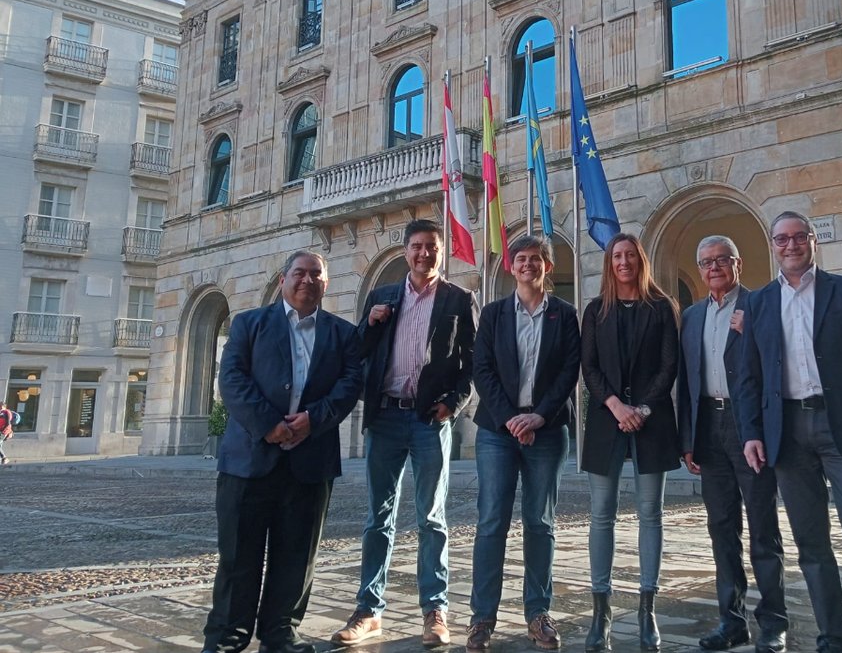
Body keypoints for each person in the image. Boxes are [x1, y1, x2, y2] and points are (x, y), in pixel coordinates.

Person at [735, 212, 842, 653]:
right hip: (787, 432)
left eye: (798, 237)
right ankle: (833, 639)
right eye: (781, 239)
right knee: (811, 544)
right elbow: (748, 376)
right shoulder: (759, 303)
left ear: (812, 241)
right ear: (772, 245)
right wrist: (752, 431)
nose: (790, 245)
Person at [201, 250, 363, 653]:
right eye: (299, 273)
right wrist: (269, 425)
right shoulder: (248, 324)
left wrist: (313, 419)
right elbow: (233, 380)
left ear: (326, 283)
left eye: (316, 275)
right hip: (249, 461)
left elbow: (348, 387)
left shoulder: (343, 334)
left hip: (310, 462)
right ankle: (227, 637)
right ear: (282, 278)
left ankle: (281, 634)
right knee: (239, 558)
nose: (307, 280)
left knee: (296, 559)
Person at [333, 219, 477, 649]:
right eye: (416, 247)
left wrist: (453, 404)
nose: (423, 254)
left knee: (432, 518)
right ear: (405, 250)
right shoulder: (382, 297)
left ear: (441, 250)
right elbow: (357, 353)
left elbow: (471, 364)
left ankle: (435, 610)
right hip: (386, 419)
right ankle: (368, 610)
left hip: (430, 420)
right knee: (379, 517)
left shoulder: (459, 299)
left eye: (431, 247)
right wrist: (370, 324)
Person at [465, 235, 581, 652]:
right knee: (492, 521)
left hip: (547, 431)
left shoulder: (564, 315)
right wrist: (511, 418)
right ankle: (482, 618)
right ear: (512, 267)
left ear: (547, 267)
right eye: (521, 259)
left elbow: (570, 370)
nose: (528, 265)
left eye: (535, 259)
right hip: (499, 432)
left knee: (540, 522)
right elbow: (483, 369)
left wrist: (540, 415)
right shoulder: (494, 314)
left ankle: (538, 613)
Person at [677, 236, 788, 652]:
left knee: (763, 528)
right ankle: (731, 620)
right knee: (722, 529)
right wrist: (687, 440)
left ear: (737, 264)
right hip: (708, 427)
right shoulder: (690, 316)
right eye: (706, 262)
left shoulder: (759, 305)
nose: (714, 267)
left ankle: (774, 622)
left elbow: (775, 364)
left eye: (722, 259)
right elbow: (686, 382)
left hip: (749, 427)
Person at [580, 233, 680, 652]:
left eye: (629, 255)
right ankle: (601, 610)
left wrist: (643, 409)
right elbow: (590, 366)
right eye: (616, 256)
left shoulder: (661, 308)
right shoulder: (595, 311)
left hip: (651, 422)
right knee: (602, 514)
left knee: (649, 513)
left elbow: (668, 365)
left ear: (641, 260)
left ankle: (646, 608)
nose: (623, 262)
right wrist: (617, 406)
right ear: (610, 263)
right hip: (607, 422)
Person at [0, 401, 20, 465]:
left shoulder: (6, 412)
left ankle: (4, 458)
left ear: (3, 406)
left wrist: (3, 430)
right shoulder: (1, 412)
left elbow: (8, 423)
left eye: (0, 406)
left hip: (4, 431)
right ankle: (3, 458)